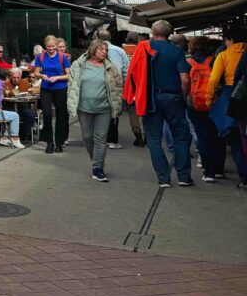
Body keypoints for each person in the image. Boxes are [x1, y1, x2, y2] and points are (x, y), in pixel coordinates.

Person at [125, 19, 193, 187]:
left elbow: (132, 72)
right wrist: (183, 96)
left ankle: (163, 178)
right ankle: (184, 176)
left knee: (154, 139)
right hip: (173, 97)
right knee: (181, 137)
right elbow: (185, 79)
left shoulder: (144, 48)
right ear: (170, 33)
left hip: (150, 99)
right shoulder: (176, 52)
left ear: (153, 32)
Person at [68, 40, 124, 182]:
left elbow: (119, 85)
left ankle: (98, 168)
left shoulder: (110, 67)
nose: (104, 52)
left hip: (104, 109)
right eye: (101, 50)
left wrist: (118, 99)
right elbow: (72, 83)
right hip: (84, 108)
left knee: (101, 139)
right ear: (92, 50)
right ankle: (96, 160)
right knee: (87, 137)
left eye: (105, 50)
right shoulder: (79, 65)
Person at [205, 26, 247, 188]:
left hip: (230, 95)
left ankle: (240, 173)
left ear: (230, 40)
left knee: (231, 135)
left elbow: (213, 79)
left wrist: (209, 100)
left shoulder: (224, 55)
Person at [186, 36, 221, 183]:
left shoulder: (188, 61)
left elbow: (185, 81)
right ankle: (219, 169)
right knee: (216, 135)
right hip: (213, 102)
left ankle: (209, 172)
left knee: (201, 135)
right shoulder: (213, 61)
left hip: (193, 103)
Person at [31, 35, 71, 154]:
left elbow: (69, 75)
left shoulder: (62, 57)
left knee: (61, 115)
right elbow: (36, 72)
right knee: (47, 115)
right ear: (45, 46)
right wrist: (41, 75)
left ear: (56, 46)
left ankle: (59, 142)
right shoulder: (41, 57)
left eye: (53, 46)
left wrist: (58, 77)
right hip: (46, 88)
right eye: (49, 46)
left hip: (60, 88)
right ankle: (49, 142)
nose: (51, 48)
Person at [1, 67, 37, 143]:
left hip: (22, 106)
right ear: (11, 76)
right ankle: (12, 135)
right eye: (14, 77)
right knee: (14, 114)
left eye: (18, 77)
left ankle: (25, 134)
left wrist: (30, 94)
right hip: (9, 106)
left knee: (30, 114)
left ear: (21, 77)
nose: (16, 79)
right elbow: (3, 96)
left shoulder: (25, 83)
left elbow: (30, 94)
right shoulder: (6, 84)